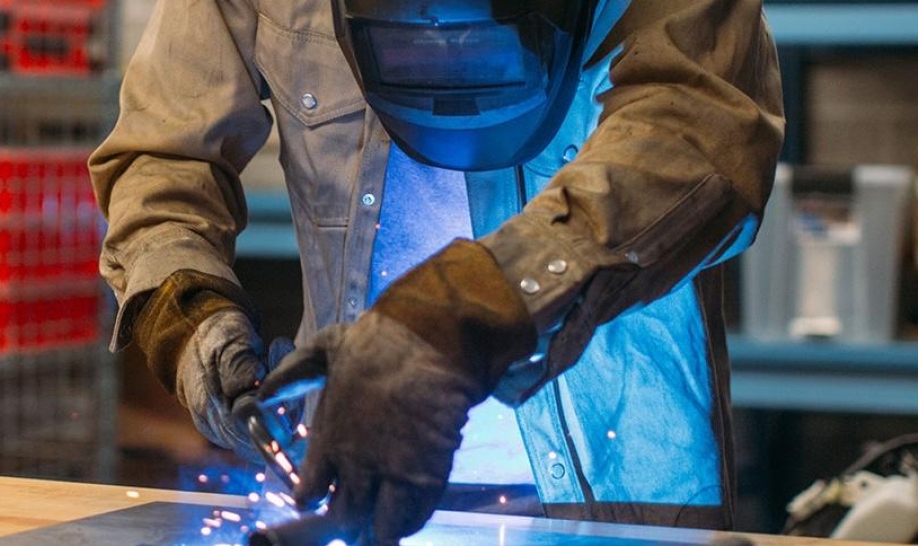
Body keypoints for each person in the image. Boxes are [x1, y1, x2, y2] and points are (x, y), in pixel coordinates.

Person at [89, 0, 784, 544]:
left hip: (622, 491)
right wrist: (189, 313)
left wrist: (459, 313)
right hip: (352, 466)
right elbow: (164, 152)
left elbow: (697, 136)